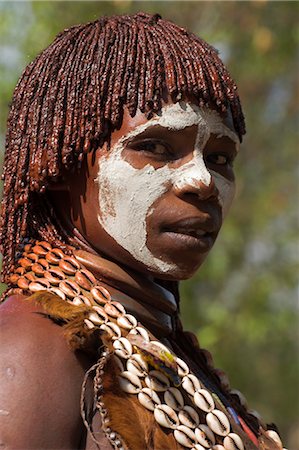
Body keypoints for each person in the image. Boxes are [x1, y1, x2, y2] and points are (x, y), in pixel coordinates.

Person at [0, 12, 284, 450]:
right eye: (155, 147)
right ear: (58, 166)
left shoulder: (172, 354)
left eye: (221, 158)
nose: (202, 180)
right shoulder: (31, 348)